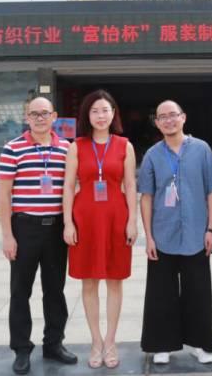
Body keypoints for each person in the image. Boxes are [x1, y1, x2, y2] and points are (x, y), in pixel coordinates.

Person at [138, 100, 212, 365]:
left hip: (197, 234)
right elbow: (146, 197)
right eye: (162, 117)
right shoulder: (152, 155)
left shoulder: (202, 149)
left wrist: (211, 228)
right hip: (163, 234)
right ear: (157, 123)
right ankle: (162, 345)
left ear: (183, 117)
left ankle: (200, 344)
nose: (168, 120)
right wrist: (149, 237)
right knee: (161, 293)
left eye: (173, 115)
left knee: (198, 292)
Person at [0, 96, 78, 375]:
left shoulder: (66, 148)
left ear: (54, 116)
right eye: (34, 114)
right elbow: (4, 195)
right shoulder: (12, 148)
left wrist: (69, 224)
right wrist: (8, 236)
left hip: (55, 229)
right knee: (20, 291)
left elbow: (71, 188)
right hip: (25, 228)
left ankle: (54, 344)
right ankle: (21, 349)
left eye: (45, 113)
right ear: (27, 117)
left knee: (55, 290)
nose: (40, 118)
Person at [63, 90, 137, 369]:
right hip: (85, 219)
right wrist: (68, 222)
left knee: (115, 280)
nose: (101, 115)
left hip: (116, 218)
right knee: (89, 281)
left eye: (105, 110)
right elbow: (68, 186)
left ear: (113, 113)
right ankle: (95, 341)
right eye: (95, 111)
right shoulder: (77, 146)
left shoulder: (125, 145)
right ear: (87, 115)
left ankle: (111, 341)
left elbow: (131, 185)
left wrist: (132, 221)